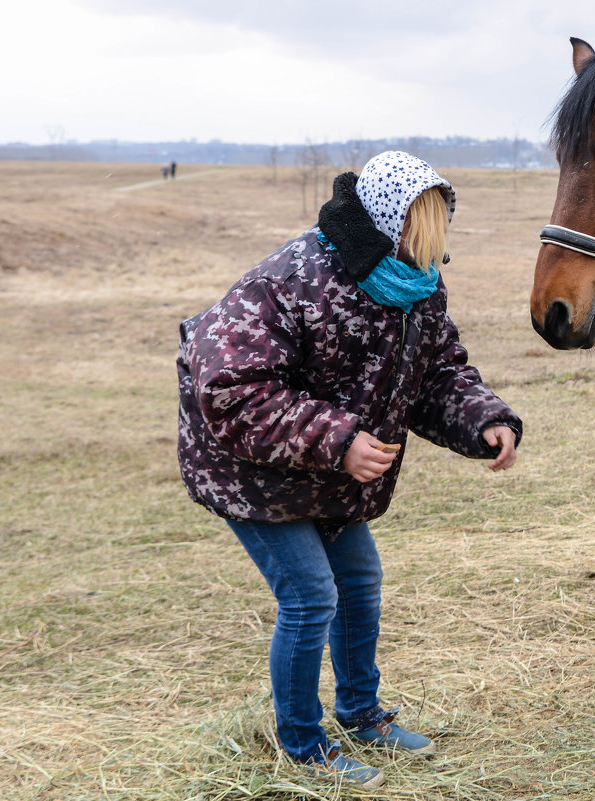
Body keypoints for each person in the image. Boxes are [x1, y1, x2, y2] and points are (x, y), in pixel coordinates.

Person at [176, 150, 522, 788]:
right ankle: (303, 745)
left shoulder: (413, 283)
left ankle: (362, 713)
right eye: (425, 230)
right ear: (391, 221)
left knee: (359, 584)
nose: (435, 249)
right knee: (311, 598)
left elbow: (439, 374)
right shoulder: (293, 278)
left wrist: (483, 420)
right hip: (252, 471)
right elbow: (232, 389)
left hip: (327, 474)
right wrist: (339, 441)